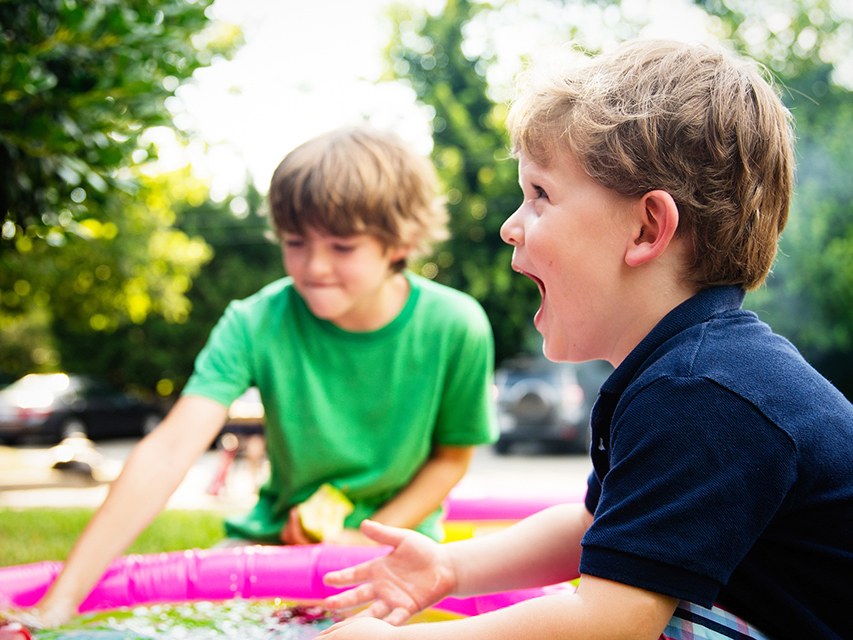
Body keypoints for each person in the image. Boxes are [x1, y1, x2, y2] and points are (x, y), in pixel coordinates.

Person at [317, 40, 853, 640]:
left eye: (540, 195)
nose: (510, 226)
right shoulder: (683, 372)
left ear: (647, 227)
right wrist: (449, 567)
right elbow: (592, 527)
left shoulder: (704, 392)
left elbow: (609, 622)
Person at [33, 125, 498, 626]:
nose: (314, 267)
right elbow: (169, 450)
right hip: (273, 543)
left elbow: (451, 459)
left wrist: (363, 536)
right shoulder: (254, 321)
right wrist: (60, 601)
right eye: (295, 243)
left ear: (399, 242)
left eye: (342, 247)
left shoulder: (457, 325)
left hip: (398, 549)